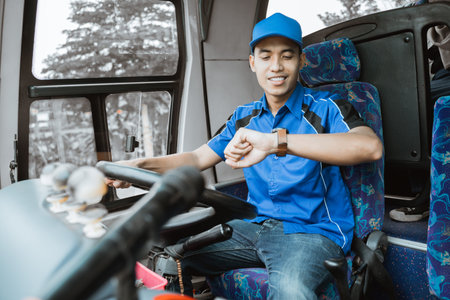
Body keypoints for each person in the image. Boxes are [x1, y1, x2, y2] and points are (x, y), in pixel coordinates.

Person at [107, 13, 383, 299]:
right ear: (253, 63)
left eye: (287, 56)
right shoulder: (243, 118)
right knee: (169, 260)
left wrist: (276, 142)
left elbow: (368, 146)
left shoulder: (326, 109)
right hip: (252, 227)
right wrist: (139, 165)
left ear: (301, 61)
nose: (276, 66)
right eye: (265, 57)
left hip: (312, 232)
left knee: (290, 291)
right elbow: (195, 159)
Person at [390, 0, 450, 222]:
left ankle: (432, 194)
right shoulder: (416, 8)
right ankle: (420, 190)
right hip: (439, 77)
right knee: (401, 99)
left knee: (420, 101)